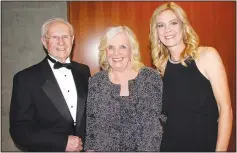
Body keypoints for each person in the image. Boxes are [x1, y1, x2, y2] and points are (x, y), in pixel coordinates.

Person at [149, 2, 233, 152]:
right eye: (160, 25)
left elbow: (225, 109)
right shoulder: (160, 67)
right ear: (156, 32)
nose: (167, 30)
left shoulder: (207, 56)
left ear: (183, 25)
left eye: (173, 23)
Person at [9, 18, 91, 152]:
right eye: (54, 37)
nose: (61, 42)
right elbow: (20, 130)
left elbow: (89, 115)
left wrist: (91, 145)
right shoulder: (25, 78)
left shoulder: (83, 71)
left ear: (72, 39)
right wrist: (62, 142)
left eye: (65, 36)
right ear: (44, 42)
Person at [84, 26, 165, 151]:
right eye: (111, 47)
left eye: (123, 47)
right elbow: (92, 125)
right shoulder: (97, 82)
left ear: (132, 49)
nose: (116, 53)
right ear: (105, 51)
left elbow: (158, 123)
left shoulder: (150, 78)